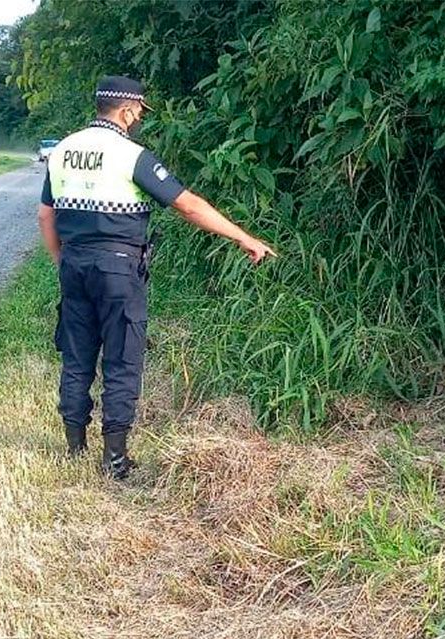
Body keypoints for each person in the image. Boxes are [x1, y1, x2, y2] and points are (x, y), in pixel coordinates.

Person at [39, 76, 275, 480]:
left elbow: (46, 215)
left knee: (77, 356)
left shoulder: (63, 150)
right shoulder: (132, 155)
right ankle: (115, 459)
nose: (138, 121)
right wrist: (243, 237)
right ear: (128, 111)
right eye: (138, 114)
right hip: (119, 269)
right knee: (122, 358)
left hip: (75, 265)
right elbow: (189, 205)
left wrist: (62, 261)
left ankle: (74, 449)